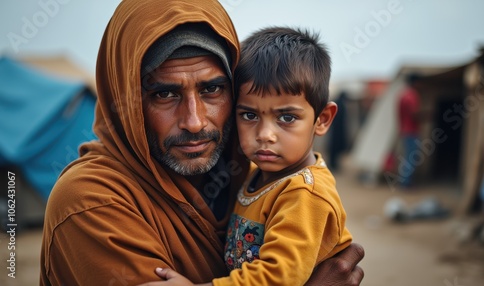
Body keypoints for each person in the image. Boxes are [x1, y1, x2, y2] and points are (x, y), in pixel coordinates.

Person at [40, 0, 364, 285]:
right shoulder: (92, 202)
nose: (194, 121)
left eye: (212, 90)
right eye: (164, 94)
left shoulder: (251, 175)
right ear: (126, 101)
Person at [148, 26, 353, 286]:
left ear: (322, 119)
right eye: (249, 115)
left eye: (287, 117)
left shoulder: (304, 193)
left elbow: (279, 276)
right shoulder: (258, 177)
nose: (265, 134)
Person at [397, 72, 422, 188]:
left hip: (404, 130)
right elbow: (414, 114)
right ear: (415, 82)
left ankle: (404, 181)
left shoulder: (403, 95)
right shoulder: (412, 96)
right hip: (411, 131)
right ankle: (406, 183)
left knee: (407, 157)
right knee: (411, 158)